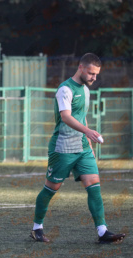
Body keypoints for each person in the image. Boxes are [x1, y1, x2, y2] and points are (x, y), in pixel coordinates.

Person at [30, 53, 126, 244]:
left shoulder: (86, 89)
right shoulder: (65, 89)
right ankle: (36, 228)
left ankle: (102, 231)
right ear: (81, 68)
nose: (94, 77)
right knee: (51, 188)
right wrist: (88, 131)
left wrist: (88, 142)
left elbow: (81, 117)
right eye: (91, 73)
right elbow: (66, 116)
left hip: (82, 147)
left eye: (96, 74)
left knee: (94, 188)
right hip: (63, 147)